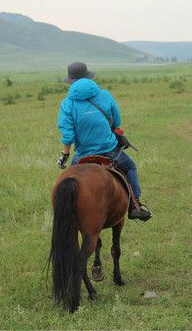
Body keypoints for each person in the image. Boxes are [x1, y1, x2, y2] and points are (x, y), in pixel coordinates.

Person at [56, 62, 152, 221]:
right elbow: (117, 122)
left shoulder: (67, 103)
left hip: (83, 154)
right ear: (88, 76)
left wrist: (64, 155)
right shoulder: (105, 95)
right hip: (109, 150)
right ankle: (135, 206)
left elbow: (67, 137)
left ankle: (66, 215)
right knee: (130, 167)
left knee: (67, 183)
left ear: (71, 81)